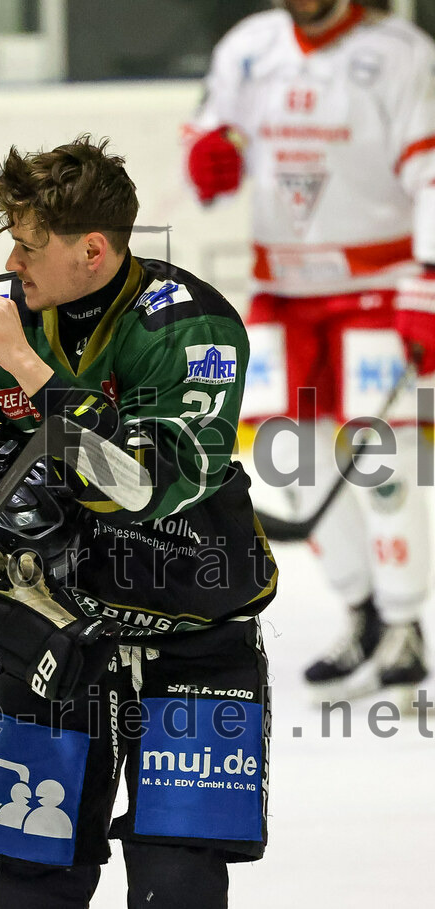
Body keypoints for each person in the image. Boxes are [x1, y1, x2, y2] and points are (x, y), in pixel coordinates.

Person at [0, 135, 278, 908]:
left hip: (196, 634)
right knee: (33, 885)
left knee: (178, 886)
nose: (11, 262)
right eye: (11, 242)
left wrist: (31, 370)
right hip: (52, 637)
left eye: (29, 246)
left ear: (92, 249)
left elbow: (148, 483)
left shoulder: (192, 328)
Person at [185, 0, 435, 698]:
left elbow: (431, 171)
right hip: (283, 292)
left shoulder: (403, 53)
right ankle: (361, 613)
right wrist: (207, 160)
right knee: (293, 461)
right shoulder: (249, 47)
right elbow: (210, 136)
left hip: (378, 288)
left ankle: (405, 625)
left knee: (382, 464)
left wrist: (428, 279)